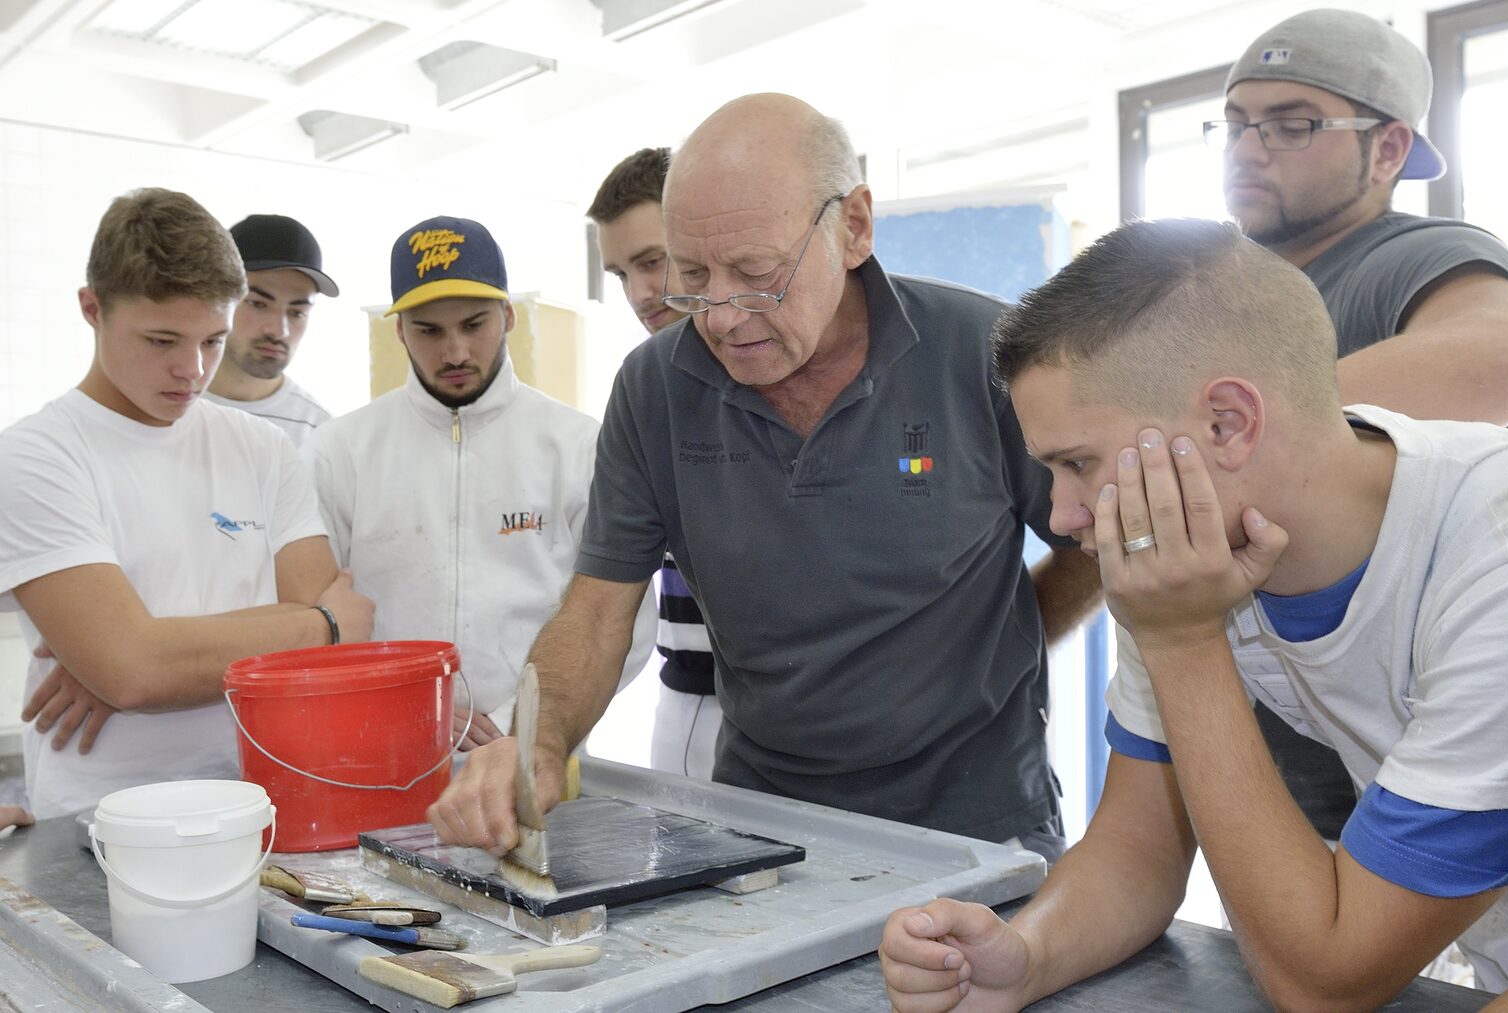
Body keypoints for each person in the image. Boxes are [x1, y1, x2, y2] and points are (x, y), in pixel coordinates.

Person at [429, 94, 1102, 859]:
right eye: (691, 275)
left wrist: (1011, 635)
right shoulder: (655, 390)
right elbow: (596, 610)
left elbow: (1104, 541)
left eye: (754, 275)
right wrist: (535, 744)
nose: (717, 316)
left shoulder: (985, 354)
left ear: (853, 227)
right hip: (765, 825)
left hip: (979, 820)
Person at [880, 218, 1508, 1010]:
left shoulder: (1499, 554)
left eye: (1077, 463)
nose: (1066, 515)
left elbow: (1324, 982)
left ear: (1227, 423)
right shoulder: (1182, 557)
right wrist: (1027, 953)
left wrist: (1183, 642)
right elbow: (1137, 848)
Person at [1214, 7, 1508, 840]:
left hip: (1422, 755)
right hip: (1284, 744)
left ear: (1387, 150)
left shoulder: (1411, 255)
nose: (1247, 149)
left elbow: (1502, 354)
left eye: (1292, 125)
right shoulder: (1238, 293)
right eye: (1237, 123)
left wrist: (1225, 438)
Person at [0, 188, 372, 821]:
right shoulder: (34, 455)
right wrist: (322, 622)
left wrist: (156, 653)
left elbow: (315, 670)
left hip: (258, 800)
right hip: (103, 819)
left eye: (212, 340)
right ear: (92, 309)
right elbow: (136, 673)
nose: (191, 371)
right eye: (162, 340)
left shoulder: (263, 448)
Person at [307, 216, 655, 742]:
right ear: (399, 329)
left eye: (474, 325)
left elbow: (623, 622)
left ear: (508, 316)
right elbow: (314, 614)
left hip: (539, 752)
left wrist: (524, 724)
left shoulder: (580, 446)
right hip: (383, 745)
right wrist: (406, 712)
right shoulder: (340, 451)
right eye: (429, 331)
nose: (455, 353)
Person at [587, 146, 720, 780]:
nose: (640, 294)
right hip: (684, 707)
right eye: (620, 274)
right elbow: (600, 608)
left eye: (651, 262)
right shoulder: (645, 393)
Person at [204, 215, 338, 445]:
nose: (279, 331)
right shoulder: (161, 406)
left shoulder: (320, 433)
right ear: (217, 295)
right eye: (258, 304)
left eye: (297, 312)